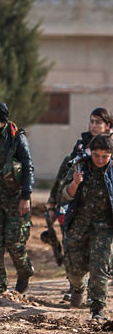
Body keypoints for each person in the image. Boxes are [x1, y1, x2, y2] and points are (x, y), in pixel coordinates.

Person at [46, 107, 113, 301]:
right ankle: (76, 287)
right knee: (74, 259)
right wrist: (53, 204)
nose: (94, 125)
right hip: (78, 215)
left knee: (100, 262)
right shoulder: (81, 150)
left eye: (98, 122)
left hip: (104, 221)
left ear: (108, 125)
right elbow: (63, 178)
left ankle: (97, 301)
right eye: (92, 121)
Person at [0, 101, 35, 295]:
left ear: (1, 118)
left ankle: (24, 271)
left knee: (14, 242)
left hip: (14, 199)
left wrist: (26, 196)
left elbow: (27, 166)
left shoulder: (16, 137)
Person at [60, 134, 113, 320]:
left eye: (105, 156)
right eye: (96, 155)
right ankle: (78, 287)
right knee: (75, 269)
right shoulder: (79, 167)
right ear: (91, 153)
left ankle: (97, 308)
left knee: (100, 267)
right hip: (78, 226)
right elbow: (64, 196)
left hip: (104, 228)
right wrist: (75, 183)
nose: (100, 160)